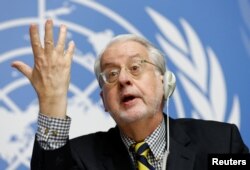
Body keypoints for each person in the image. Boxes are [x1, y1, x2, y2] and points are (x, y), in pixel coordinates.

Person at [12, 20, 249, 170]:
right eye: (111, 74)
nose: (124, 79)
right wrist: (52, 101)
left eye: (136, 67)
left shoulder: (220, 142)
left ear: (164, 81)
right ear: (104, 100)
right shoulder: (79, 157)